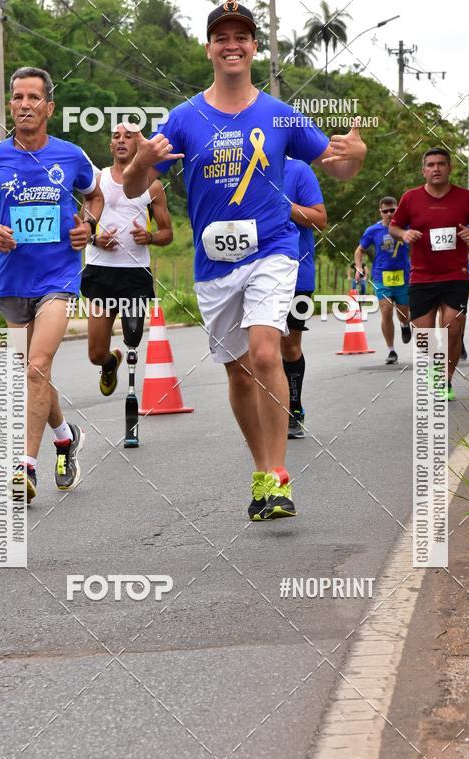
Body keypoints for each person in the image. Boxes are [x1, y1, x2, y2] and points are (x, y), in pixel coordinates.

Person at [123, 2, 366, 520]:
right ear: (209, 48)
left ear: (255, 47)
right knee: (237, 374)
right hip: (214, 265)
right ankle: (261, 469)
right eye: (222, 37)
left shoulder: (280, 114)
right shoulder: (186, 118)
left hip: (273, 249)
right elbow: (132, 186)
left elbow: (338, 168)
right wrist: (142, 162)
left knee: (264, 354)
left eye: (242, 36)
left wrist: (356, 157)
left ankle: (279, 477)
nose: (232, 44)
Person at [0, 66, 103, 503]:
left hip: (58, 278)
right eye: (17, 97)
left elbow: (95, 195)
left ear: (49, 107)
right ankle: (65, 437)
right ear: (11, 104)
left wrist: (89, 223)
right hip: (12, 282)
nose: (24, 105)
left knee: (37, 366)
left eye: (33, 98)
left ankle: (25, 467)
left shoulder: (71, 155)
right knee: (33, 375)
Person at [82, 124, 173, 399]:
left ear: (137, 146)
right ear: (110, 146)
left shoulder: (153, 185)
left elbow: (168, 233)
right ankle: (109, 364)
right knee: (96, 354)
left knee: (133, 337)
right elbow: (83, 227)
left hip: (134, 275)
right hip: (100, 271)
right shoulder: (96, 181)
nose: (121, 141)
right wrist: (94, 240)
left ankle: (132, 393)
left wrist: (150, 237)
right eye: (116, 137)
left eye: (128, 137)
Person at [389, 147, 469, 401]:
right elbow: (394, 226)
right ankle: (435, 365)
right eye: (431, 165)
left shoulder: (465, 198)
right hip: (422, 275)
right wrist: (404, 234)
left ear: (449, 168)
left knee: (452, 328)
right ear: (423, 170)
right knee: (423, 333)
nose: (436, 169)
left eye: (441, 164)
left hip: (455, 274)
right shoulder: (410, 198)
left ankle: (446, 379)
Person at [281, 157, 326, 439]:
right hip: (250, 272)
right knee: (258, 349)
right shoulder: (241, 170)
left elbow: (320, 220)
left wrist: (284, 205)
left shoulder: (298, 170)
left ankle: (293, 408)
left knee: (289, 346)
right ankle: (271, 409)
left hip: (297, 274)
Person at [354, 197, 411, 365]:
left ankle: (405, 324)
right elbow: (359, 251)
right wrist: (359, 267)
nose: (389, 214)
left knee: (403, 314)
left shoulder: (406, 228)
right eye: (385, 211)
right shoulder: (373, 231)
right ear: (380, 212)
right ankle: (391, 350)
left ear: (397, 210)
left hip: (403, 277)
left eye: (392, 210)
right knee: (386, 311)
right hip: (381, 277)